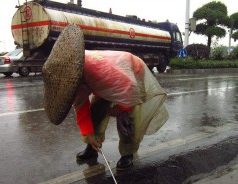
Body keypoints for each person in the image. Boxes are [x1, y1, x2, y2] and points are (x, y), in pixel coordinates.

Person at [43, 24, 169, 170]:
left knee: (127, 120)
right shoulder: (71, 78)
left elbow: (130, 91)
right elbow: (81, 107)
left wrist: (120, 109)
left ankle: (127, 152)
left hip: (130, 72)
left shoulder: (100, 70)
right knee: (95, 111)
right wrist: (89, 134)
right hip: (107, 83)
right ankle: (92, 146)